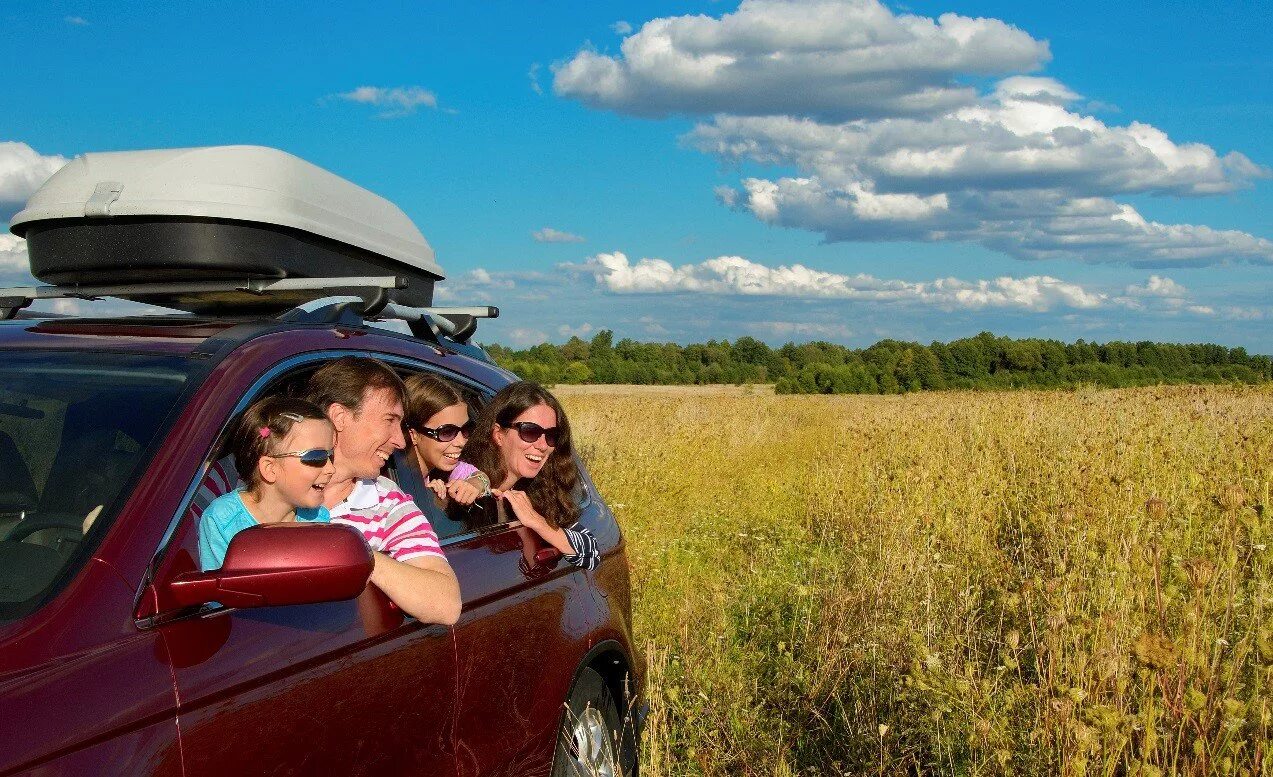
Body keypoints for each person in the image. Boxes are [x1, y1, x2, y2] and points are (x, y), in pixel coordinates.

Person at [304, 357, 462, 624]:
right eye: (389, 420)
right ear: (339, 417)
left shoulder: (388, 504)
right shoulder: (253, 480)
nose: (400, 441)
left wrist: (358, 555)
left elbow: (445, 603)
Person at [460, 381, 598, 570]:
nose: (542, 445)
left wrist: (537, 522)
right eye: (530, 431)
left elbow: (592, 554)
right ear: (498, 434)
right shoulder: (465, 484)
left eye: (551, 435)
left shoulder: (536, 492)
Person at [198, 397, 335, 571]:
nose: (331, 469)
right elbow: (218, 592)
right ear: (270, 469)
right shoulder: (222, 520)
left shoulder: (318, 519)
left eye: (331, 456)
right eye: (316, 457)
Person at [400, 373, 487, 506]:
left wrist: (474, 484)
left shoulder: (445, 469)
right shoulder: (394, 482)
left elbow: (481, 477)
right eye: (447, 432)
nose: (461, 442)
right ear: (414, 435)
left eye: (466, 429)